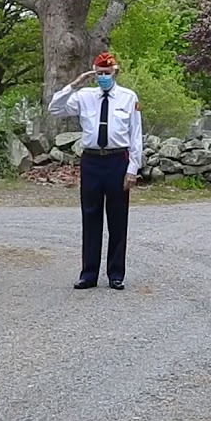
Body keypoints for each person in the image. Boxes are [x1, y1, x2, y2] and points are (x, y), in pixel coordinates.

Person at [48, 52, 144, 291]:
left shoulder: (128, 97)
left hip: (117, 160)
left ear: (115, 73)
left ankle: (116, 274)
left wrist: (132, 169)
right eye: (99, 73)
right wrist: (74, 84)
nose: (103, 77)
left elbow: (135, 135)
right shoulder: (84, 96)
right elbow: (54, 108)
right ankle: (88, 274)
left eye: (107, 73)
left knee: (118, 218)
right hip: (91, 160)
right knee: (90, 217)